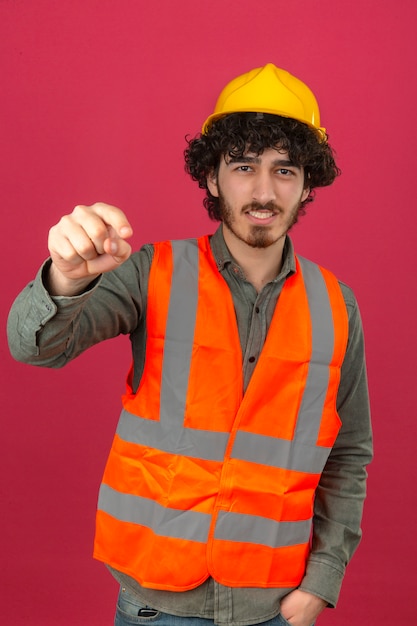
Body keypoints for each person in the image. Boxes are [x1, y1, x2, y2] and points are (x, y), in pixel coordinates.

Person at [7, 63, 372, 626]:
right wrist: (66, 276)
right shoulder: (151, 272)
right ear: (212, 178)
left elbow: (348, 455)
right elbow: (36, 347)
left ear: (306, 185)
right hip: (156, 603)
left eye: (284, 170)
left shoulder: (336, 305)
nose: (263, 191)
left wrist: (322, 582)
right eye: (244, 166)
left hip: (273, 607)